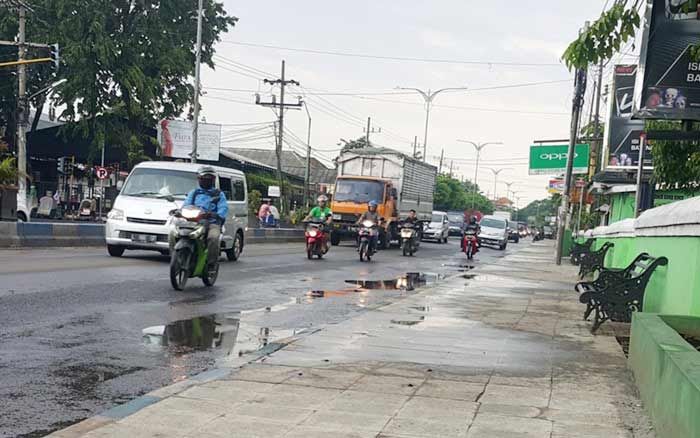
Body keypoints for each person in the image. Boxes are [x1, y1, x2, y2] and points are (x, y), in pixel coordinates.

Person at [183, 167, 229, 268]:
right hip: (193, 222)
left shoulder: (219, 194)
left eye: (208, 179)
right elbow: (186, 205)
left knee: (213, 238)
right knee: (174, 232)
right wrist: (180, 212)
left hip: (212, 223)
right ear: (199, 179)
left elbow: (224, 208)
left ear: (212, 180)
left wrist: (217, 215)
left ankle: (211, 264)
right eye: (203, 178)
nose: (205, 181)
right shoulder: (194, 193)